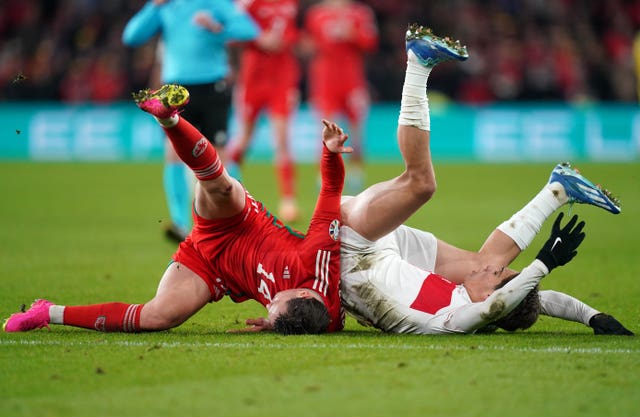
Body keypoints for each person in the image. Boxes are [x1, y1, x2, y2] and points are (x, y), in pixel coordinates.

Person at [334, 24, 631, 335]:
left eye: (497, 275)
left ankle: (418, 64)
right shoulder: (474, 293)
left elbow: (504, 301)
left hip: (353, 248)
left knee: (422, 184)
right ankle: (558, 190)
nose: (492, 269)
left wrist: (546, 261)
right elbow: (535, 299)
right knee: (470, 242)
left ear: (492, 298)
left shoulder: (452, 321)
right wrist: (592, 316)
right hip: (380, 248)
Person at [3, 84, 353, 335]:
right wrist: (329, 153)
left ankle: (46, 312)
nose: (268, 301)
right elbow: (331, 191)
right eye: (276, 302)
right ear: (305, 294)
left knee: (158, 317)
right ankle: (168, 117)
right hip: (238, 223)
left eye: (269, 307)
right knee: (221, 186)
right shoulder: (318, 260)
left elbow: (286, 313)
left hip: (214, 268)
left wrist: (274, 322)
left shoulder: (308, 320)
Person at [122, 0, 259, 242]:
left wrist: (218, 28)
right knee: (173, 153)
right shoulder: (166, 6)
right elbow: (131, 37)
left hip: (213, 86)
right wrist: (154, 6)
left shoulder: (214, 3)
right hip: (176, 89)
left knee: (219, 156)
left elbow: (249, 31)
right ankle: (180, 223)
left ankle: (243, 215)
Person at [228, 0, 302, 223]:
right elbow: (231, 32)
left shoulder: (290, 3)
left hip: (282, 78)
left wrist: (288, 39)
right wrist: (259, 39)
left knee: (281, 138)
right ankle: (222, 185)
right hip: (253, 78)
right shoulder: (247, 3)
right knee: (245, 138)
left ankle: (288, 200)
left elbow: (292, 32)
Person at [302, 0, 379, 193]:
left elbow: (371, 43)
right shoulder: (316, 14)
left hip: (352, 79)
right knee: (326, 130)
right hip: (325, 80)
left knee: (357, 130)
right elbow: (307, 44)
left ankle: (356, 173)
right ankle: (325, 175)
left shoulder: (360, 13)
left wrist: (352, 34)